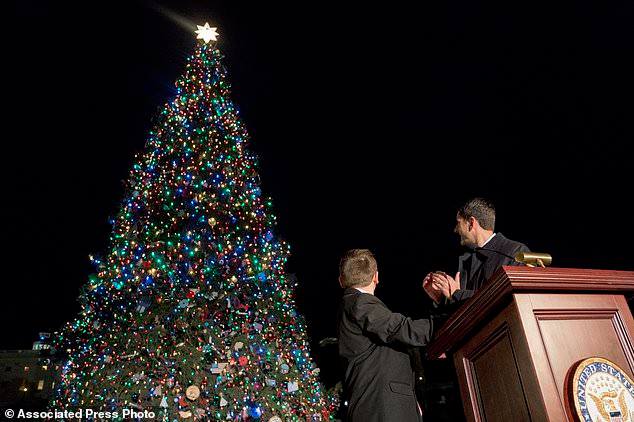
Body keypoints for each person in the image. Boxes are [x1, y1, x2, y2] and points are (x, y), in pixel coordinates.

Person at [337, 249, 434, 422]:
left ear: (341, 280)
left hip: (381, 406)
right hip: (382, 408)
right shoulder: (360, 302)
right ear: (376, 277)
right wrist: (447, 323)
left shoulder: (351, 305)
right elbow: (402, 329)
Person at [424, 197, 530, 307]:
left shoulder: (516, 253)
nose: (455, 229)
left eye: (458, 223)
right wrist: (442, 298)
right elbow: (465, 311)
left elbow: (507, 301)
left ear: (471, 223)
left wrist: (457, 294)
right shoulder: (467, 262)